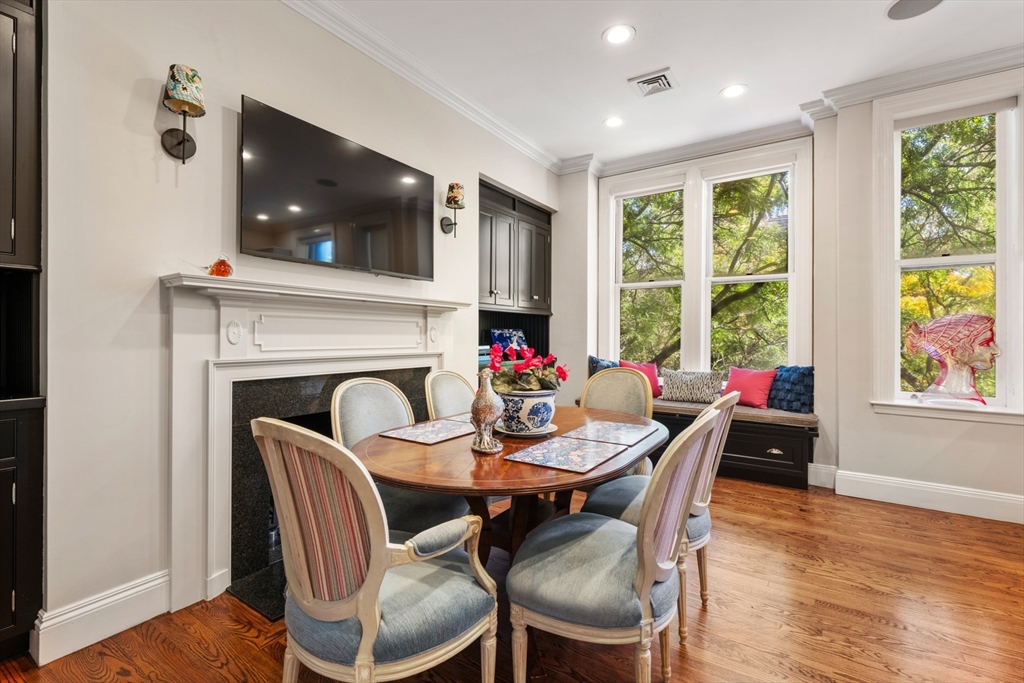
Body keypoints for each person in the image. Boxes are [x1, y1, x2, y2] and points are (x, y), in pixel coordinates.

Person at [905, 313, 1000, 405]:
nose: (996, 351)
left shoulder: (965, 396)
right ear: (954, 351)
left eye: (993, 343)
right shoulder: (934, 399)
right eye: (985, 343)